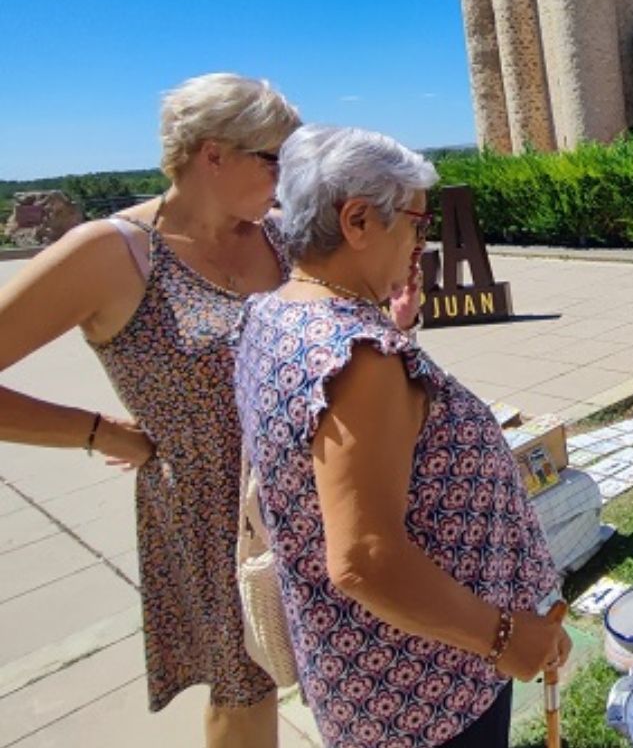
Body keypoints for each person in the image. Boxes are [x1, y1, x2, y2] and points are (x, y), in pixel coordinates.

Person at [234, 125, 569, 748]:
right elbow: (365, 559)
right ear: (358, 220)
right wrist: (505, 637)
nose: (422, 241)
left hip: (370, 678)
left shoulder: (275, 311)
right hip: (427, 691)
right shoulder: (358, 358)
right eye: (416, 222)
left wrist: (396, 331)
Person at [0, 73, 301, 747]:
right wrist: (96, 431)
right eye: (274, 158)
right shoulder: (114, 253)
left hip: (302, 491)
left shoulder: (278, 235)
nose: (288, 174)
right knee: (243, 688)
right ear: (212, 154)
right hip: (207, 511)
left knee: (323, 659)